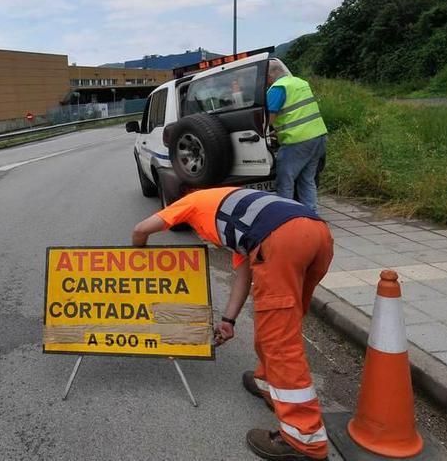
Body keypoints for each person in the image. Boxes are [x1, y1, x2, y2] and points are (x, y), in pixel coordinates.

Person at [132, 187, 333, 461]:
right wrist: (228, 320)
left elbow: (141, 229)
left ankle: (302, 437)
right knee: (281, 322)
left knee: (280, 341)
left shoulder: (191, 202)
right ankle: (267, 382)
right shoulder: (237, 212)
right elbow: (244, 274)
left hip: (281, 241)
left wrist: (134, 256)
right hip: (317, 234)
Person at [266, 61, 327, 214]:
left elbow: (269, 119)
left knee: (285, 180)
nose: (266, 81)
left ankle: (287, 217)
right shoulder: (300, 83)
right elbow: (297, 113)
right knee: (307, 180)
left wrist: (262, 133)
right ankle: (311, 215)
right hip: (318, 136)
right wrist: (278, 131)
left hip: (298, 141)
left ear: (271, 74)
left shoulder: (278, 88)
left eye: (266, 77)